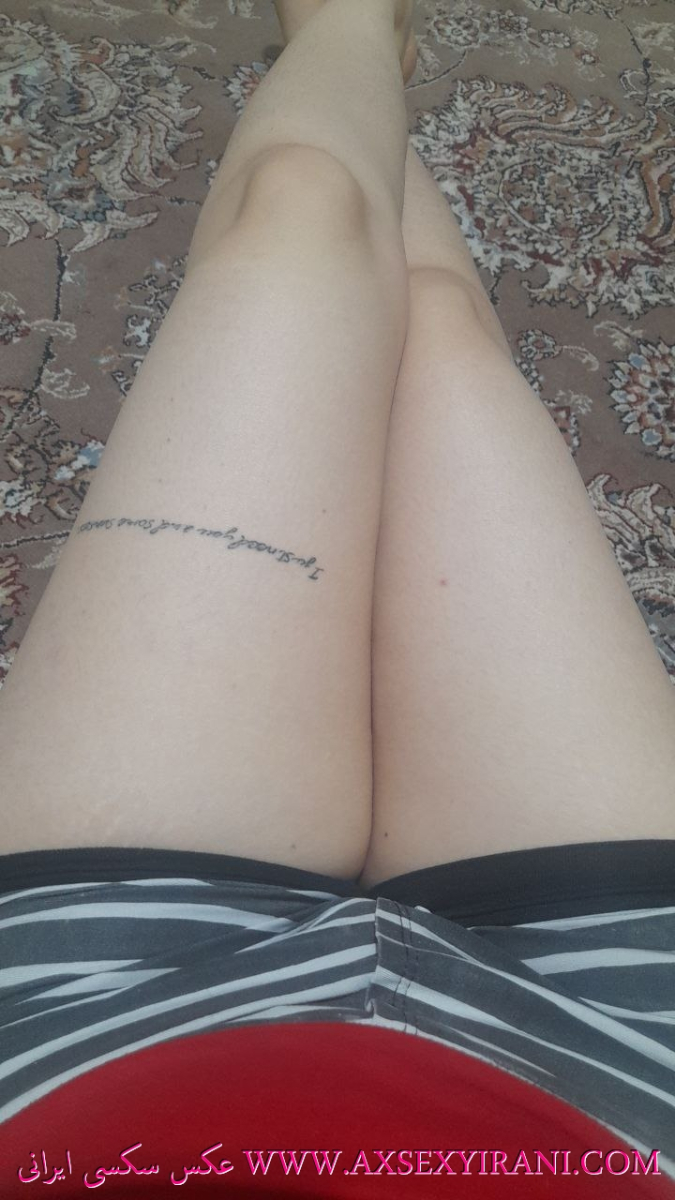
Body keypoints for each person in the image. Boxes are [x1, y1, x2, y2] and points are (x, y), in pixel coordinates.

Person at [1, 0, 675, 1194]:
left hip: (89, 1027)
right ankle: (366, 61)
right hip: (614, 1049)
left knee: (301, 204)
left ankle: (352, 31)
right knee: (441, 330)